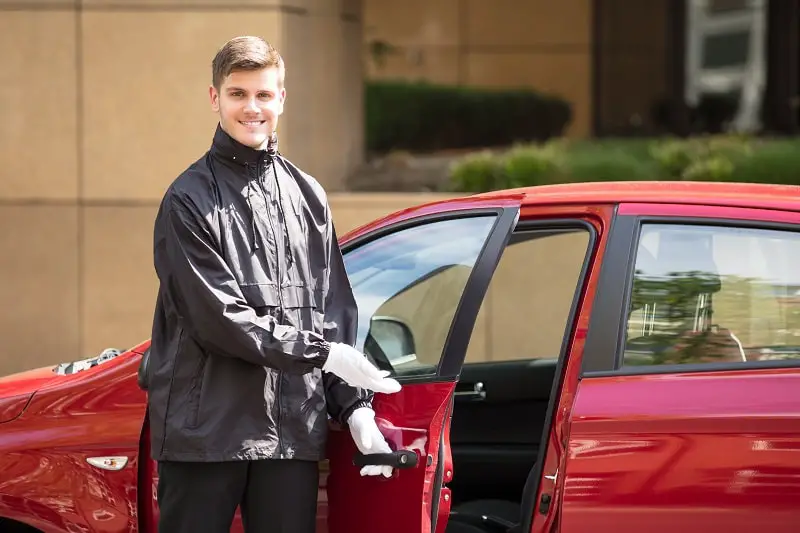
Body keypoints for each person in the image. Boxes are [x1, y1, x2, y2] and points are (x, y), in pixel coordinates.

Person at [144, 35, 401, 533]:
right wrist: (323, 355)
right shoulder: (187, 200)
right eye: (238, 94)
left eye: (263, 94)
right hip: (206, 435)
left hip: (291, 432)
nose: (252, 107)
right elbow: (218, 319)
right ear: (215, 98)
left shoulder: (308, 195)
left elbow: (335, 315)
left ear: (282, 98)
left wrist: (355, 409)